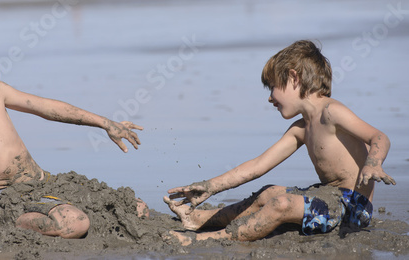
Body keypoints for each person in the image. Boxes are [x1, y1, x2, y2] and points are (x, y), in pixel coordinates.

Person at [163, 40, 396, 245]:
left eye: (273, 86)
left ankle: (206, 239)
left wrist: (373, 163)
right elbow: (257, 166)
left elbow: (379, 137)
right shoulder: (301, 128)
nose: (270, 97)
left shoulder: (331, 112)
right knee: (268, 193)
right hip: (326, 196)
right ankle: (197, 219)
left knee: (280, 204)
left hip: (351, 209)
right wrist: (209, 187)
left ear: (294, 78)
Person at [0, 40, 144, 245]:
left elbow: (47, 108)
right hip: (8, 197)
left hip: (45, 182)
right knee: (75, 223)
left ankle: (45, 208)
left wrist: (104, 123)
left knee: (136, 208)